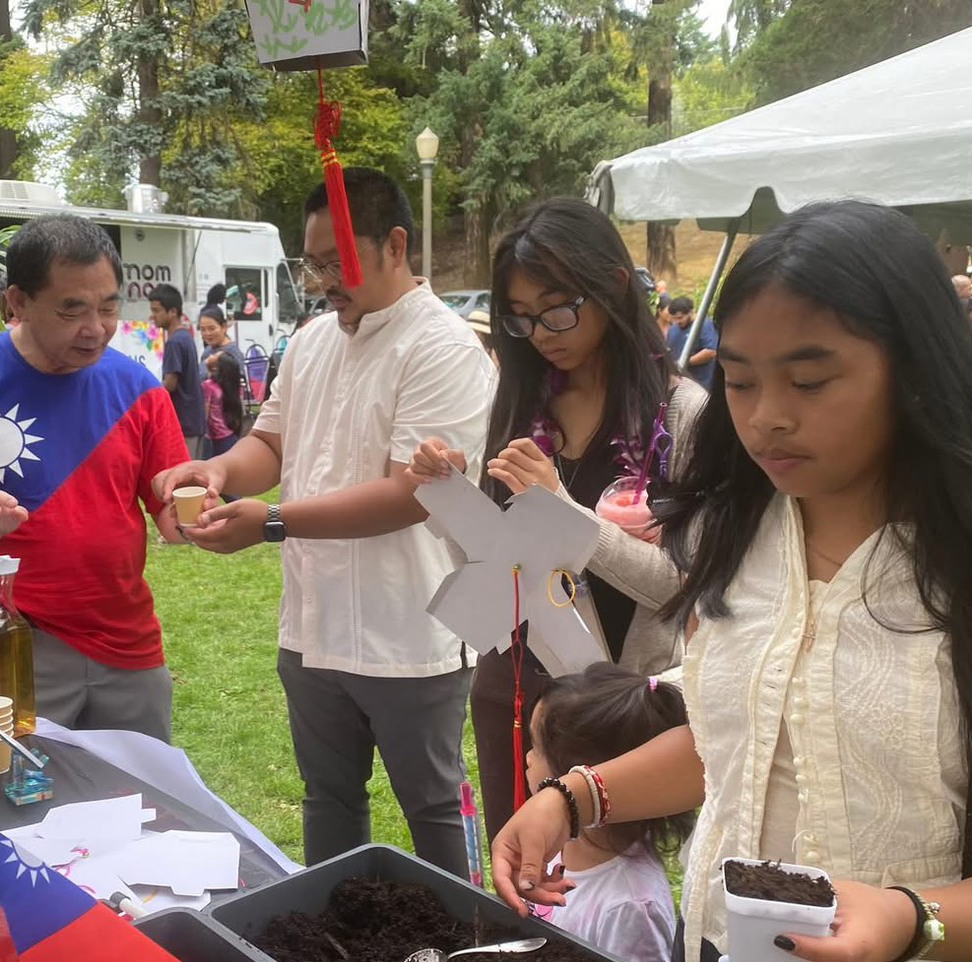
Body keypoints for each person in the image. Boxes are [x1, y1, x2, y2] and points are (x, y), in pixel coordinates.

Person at [491, 201, 972, 962]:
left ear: (917, 371)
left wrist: (901, 919)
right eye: (738, 382)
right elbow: (736, 746)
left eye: (810, 381)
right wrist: (574, 796)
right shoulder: (736, 538)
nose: (766, 419)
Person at [152, 167, 495, 878]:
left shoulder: (442, 346)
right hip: (313, 624)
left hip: (407, 626)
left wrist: (272, 522)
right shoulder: (311, 341)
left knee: (433, 804)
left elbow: (410, 495)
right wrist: (217, 471)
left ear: (394, 244)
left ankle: (467, 933)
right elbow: (271, 444)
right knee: (328, 798)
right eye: (312, 264)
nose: (322, 282)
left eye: (337, 262)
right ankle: (334, 928)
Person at [408, 197, 706, 846]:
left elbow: (680, 587)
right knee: (517, 871)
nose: (542, 332)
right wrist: (449, 500)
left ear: (615, 286)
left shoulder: (682, 415)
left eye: (557, 308)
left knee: (603, 886)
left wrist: (568, 516)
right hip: (511, 689)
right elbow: (490, 569)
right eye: (520, 317)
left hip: (610, 704)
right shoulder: (520, 404)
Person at [0, 215, 189, 741]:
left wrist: (193, 515)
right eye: (72, 310)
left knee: (141, 786)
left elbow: (169, 505)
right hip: (9, 636)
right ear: (18, 303)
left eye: (108, 307)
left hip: (128, 643)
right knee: (7, 785)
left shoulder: (138, 389)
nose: (95, 328)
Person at [525, 663, 690, 962]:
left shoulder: (631, 905)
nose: (528, 758)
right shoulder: (557, 845)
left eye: (537, 748)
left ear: (579, 776)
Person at [150, 283, 205, 456]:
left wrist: (148, 393)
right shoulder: (186, 336)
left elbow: (170, 384)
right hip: (194, 419)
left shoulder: (174, 342)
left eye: (157, 310)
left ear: (173, 311)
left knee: (182, 470)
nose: (153, 316)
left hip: (183, 422)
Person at [664, 295, 719, 390]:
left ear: (691, 312)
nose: (677, 321)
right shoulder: (673, 328)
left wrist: (684, 362)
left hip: (700, 385)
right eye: (674, 319)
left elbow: (711, 352)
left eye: (680, 318)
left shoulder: (704, 325)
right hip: (680, 383)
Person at [203, 349, 245, 459]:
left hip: (217, 439)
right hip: (230, 435)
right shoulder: (230, 387)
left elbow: (205, 414)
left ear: (215, 368)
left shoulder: (208, 386)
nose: (210, 355)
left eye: (214, 355)